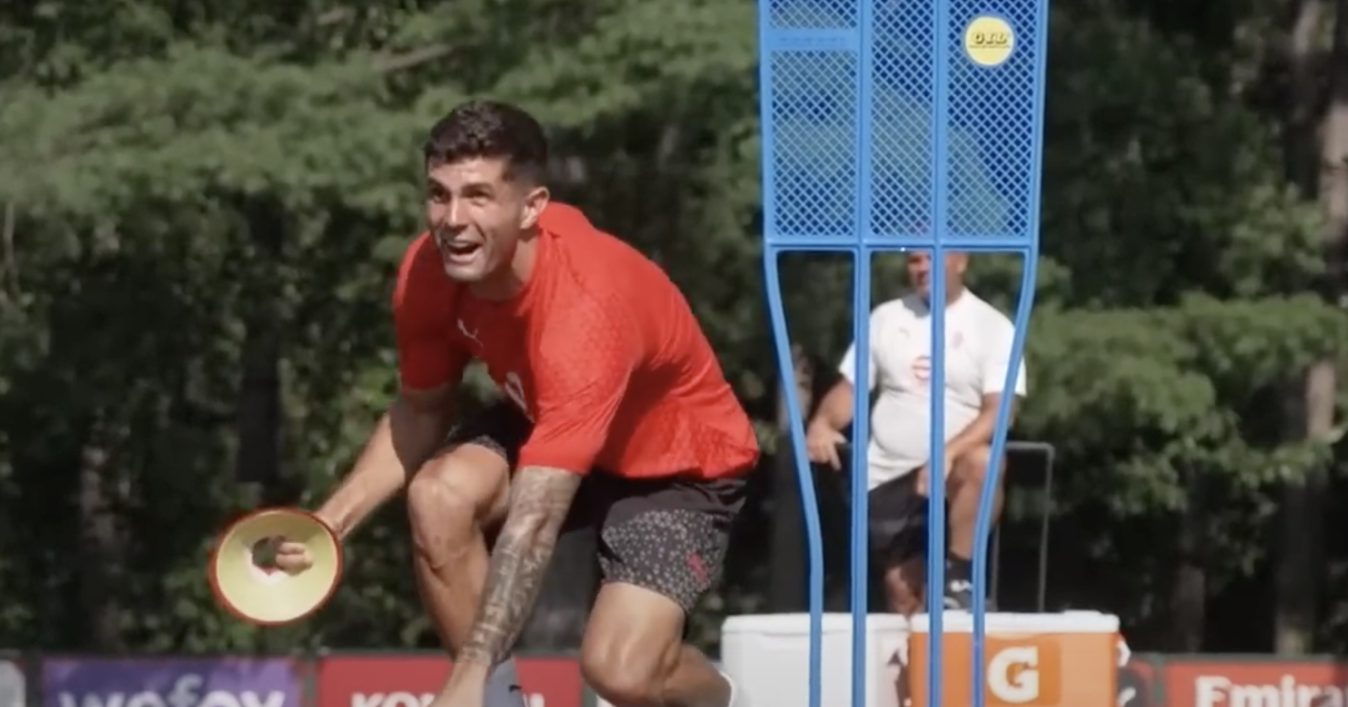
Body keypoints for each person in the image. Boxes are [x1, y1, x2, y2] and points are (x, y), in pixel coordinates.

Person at [274, 100, 757, 707]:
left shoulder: (587, 308)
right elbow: (421, 410)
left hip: (675, 471)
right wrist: (331, 523)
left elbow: (531, 526)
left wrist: (464, 676)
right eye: (438, 194)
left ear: (532, 207)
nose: (452, 219)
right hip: (550, 420)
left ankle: (730, 697)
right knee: (437, 494)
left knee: (620, 674)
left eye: (478, 196)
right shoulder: (429, 272)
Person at [805, 249, 1025, 614]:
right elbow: (851, 389)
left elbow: (1001, 413)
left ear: (960, 260)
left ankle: (958, 575)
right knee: (904, 597)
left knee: (984, 462)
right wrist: (822, 422)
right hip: (888, 475)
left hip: (953, 474)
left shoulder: (993, 327)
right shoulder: (886, 318)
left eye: (932, 258)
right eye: (914, 261)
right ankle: (916, 668)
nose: (922, 268)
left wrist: (947, 453)